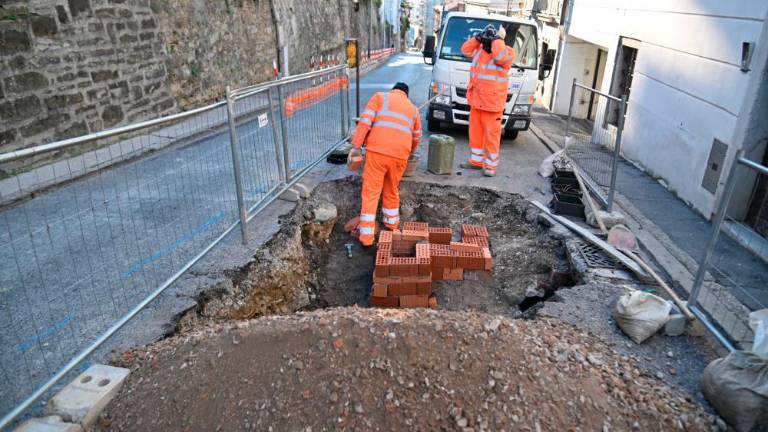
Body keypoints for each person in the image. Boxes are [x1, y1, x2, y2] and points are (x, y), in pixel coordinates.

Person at [350, 82, 422, 246]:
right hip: (400, 156)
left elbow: (364, 123)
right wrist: (408, 151)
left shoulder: (380, 98)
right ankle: (392, 224)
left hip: (377, 153)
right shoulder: (413, 109)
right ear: (406, 95)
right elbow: (417, 137)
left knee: (371, 192)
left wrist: (356, 146)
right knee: (391, 189)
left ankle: (367, 238)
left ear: (393, 90)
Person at [460, 24, 516, 177]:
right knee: (475, 136)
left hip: (492, 105)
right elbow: (465, 50)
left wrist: (497, 39)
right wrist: (477, 38)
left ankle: (490, 166)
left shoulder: (508, 52)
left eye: (492, 37)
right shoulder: (479, 50)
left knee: (491, 137)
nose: (488, 40)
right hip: (477, 102)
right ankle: (476, 162)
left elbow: (499, 57)